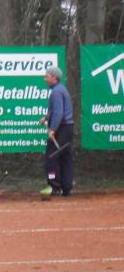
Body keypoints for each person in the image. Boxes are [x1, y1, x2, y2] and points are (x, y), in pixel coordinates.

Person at [39, 66, 74, 198]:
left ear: (54, 78)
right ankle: (67, 188)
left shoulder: (57, 92)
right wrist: (46, 118)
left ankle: (54, 187)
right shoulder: (60, 90)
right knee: (65, 158)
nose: (45, 79)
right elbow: (54, 110)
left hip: (61, 129)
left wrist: (53, 129)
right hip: (67, 128)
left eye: (47, 76)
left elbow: (59, 112)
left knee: (51, 158)